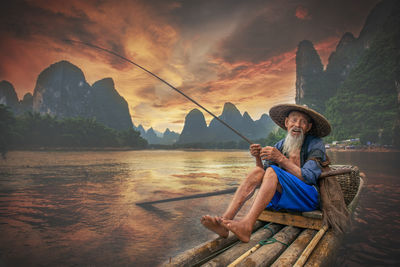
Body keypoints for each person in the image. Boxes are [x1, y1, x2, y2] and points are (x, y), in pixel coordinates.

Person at [201, 103, 331, 242]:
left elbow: (309, 177)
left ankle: (247, 225)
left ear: (308, 127)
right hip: (285, 196)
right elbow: (264, 176)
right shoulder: (280, 145)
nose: (297, 125)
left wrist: (280, 159)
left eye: (303, 121)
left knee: (272, 170)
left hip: (307, 198)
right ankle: (224, 221)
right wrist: (258, 157)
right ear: (287, 122)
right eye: (294, 120)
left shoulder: (315, 144)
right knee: (258, 171)